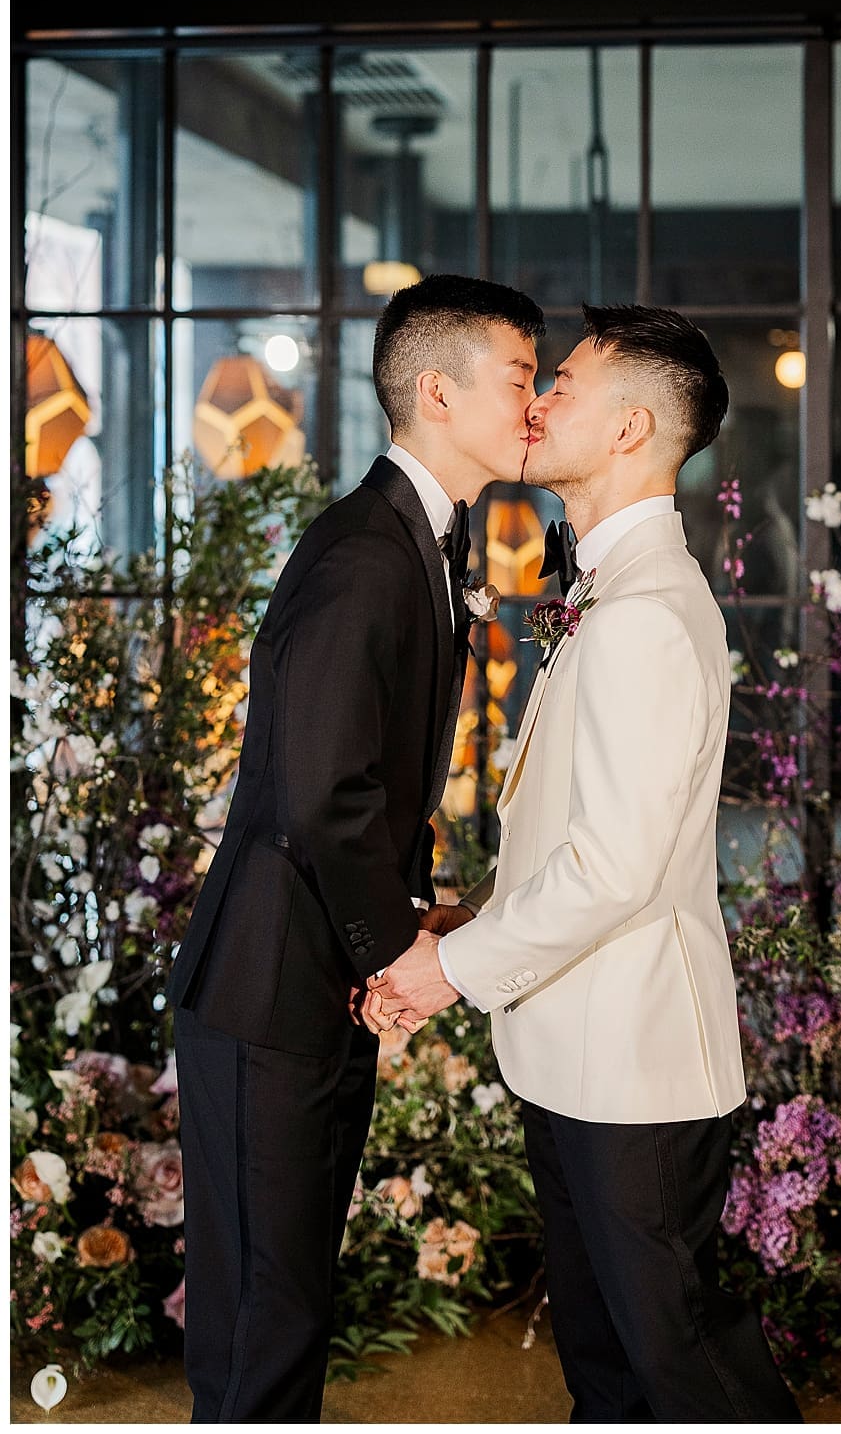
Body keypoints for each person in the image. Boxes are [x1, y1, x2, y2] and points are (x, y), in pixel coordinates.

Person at [366, 306, 800, 1421]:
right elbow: (590, 838)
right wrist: (465, 919)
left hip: (634, 1070)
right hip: (576, 1056)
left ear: (630, 429)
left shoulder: (648, 612)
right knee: (609, 1372)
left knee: (683, 1373)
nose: (538, 398)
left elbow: (614, 869)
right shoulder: (609, 593)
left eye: (563, 381)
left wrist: (443, 975)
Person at [167, 275, 544, 1419]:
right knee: (264, 1310)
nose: (533, 404)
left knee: (290, 1301)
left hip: (314, 973)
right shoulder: (364, 556)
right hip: (271, 983)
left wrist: (406, 921)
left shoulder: (426, 537)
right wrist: (396, 957)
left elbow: (365, 792)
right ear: (437, 389)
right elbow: (322, 792)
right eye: (520, 377)